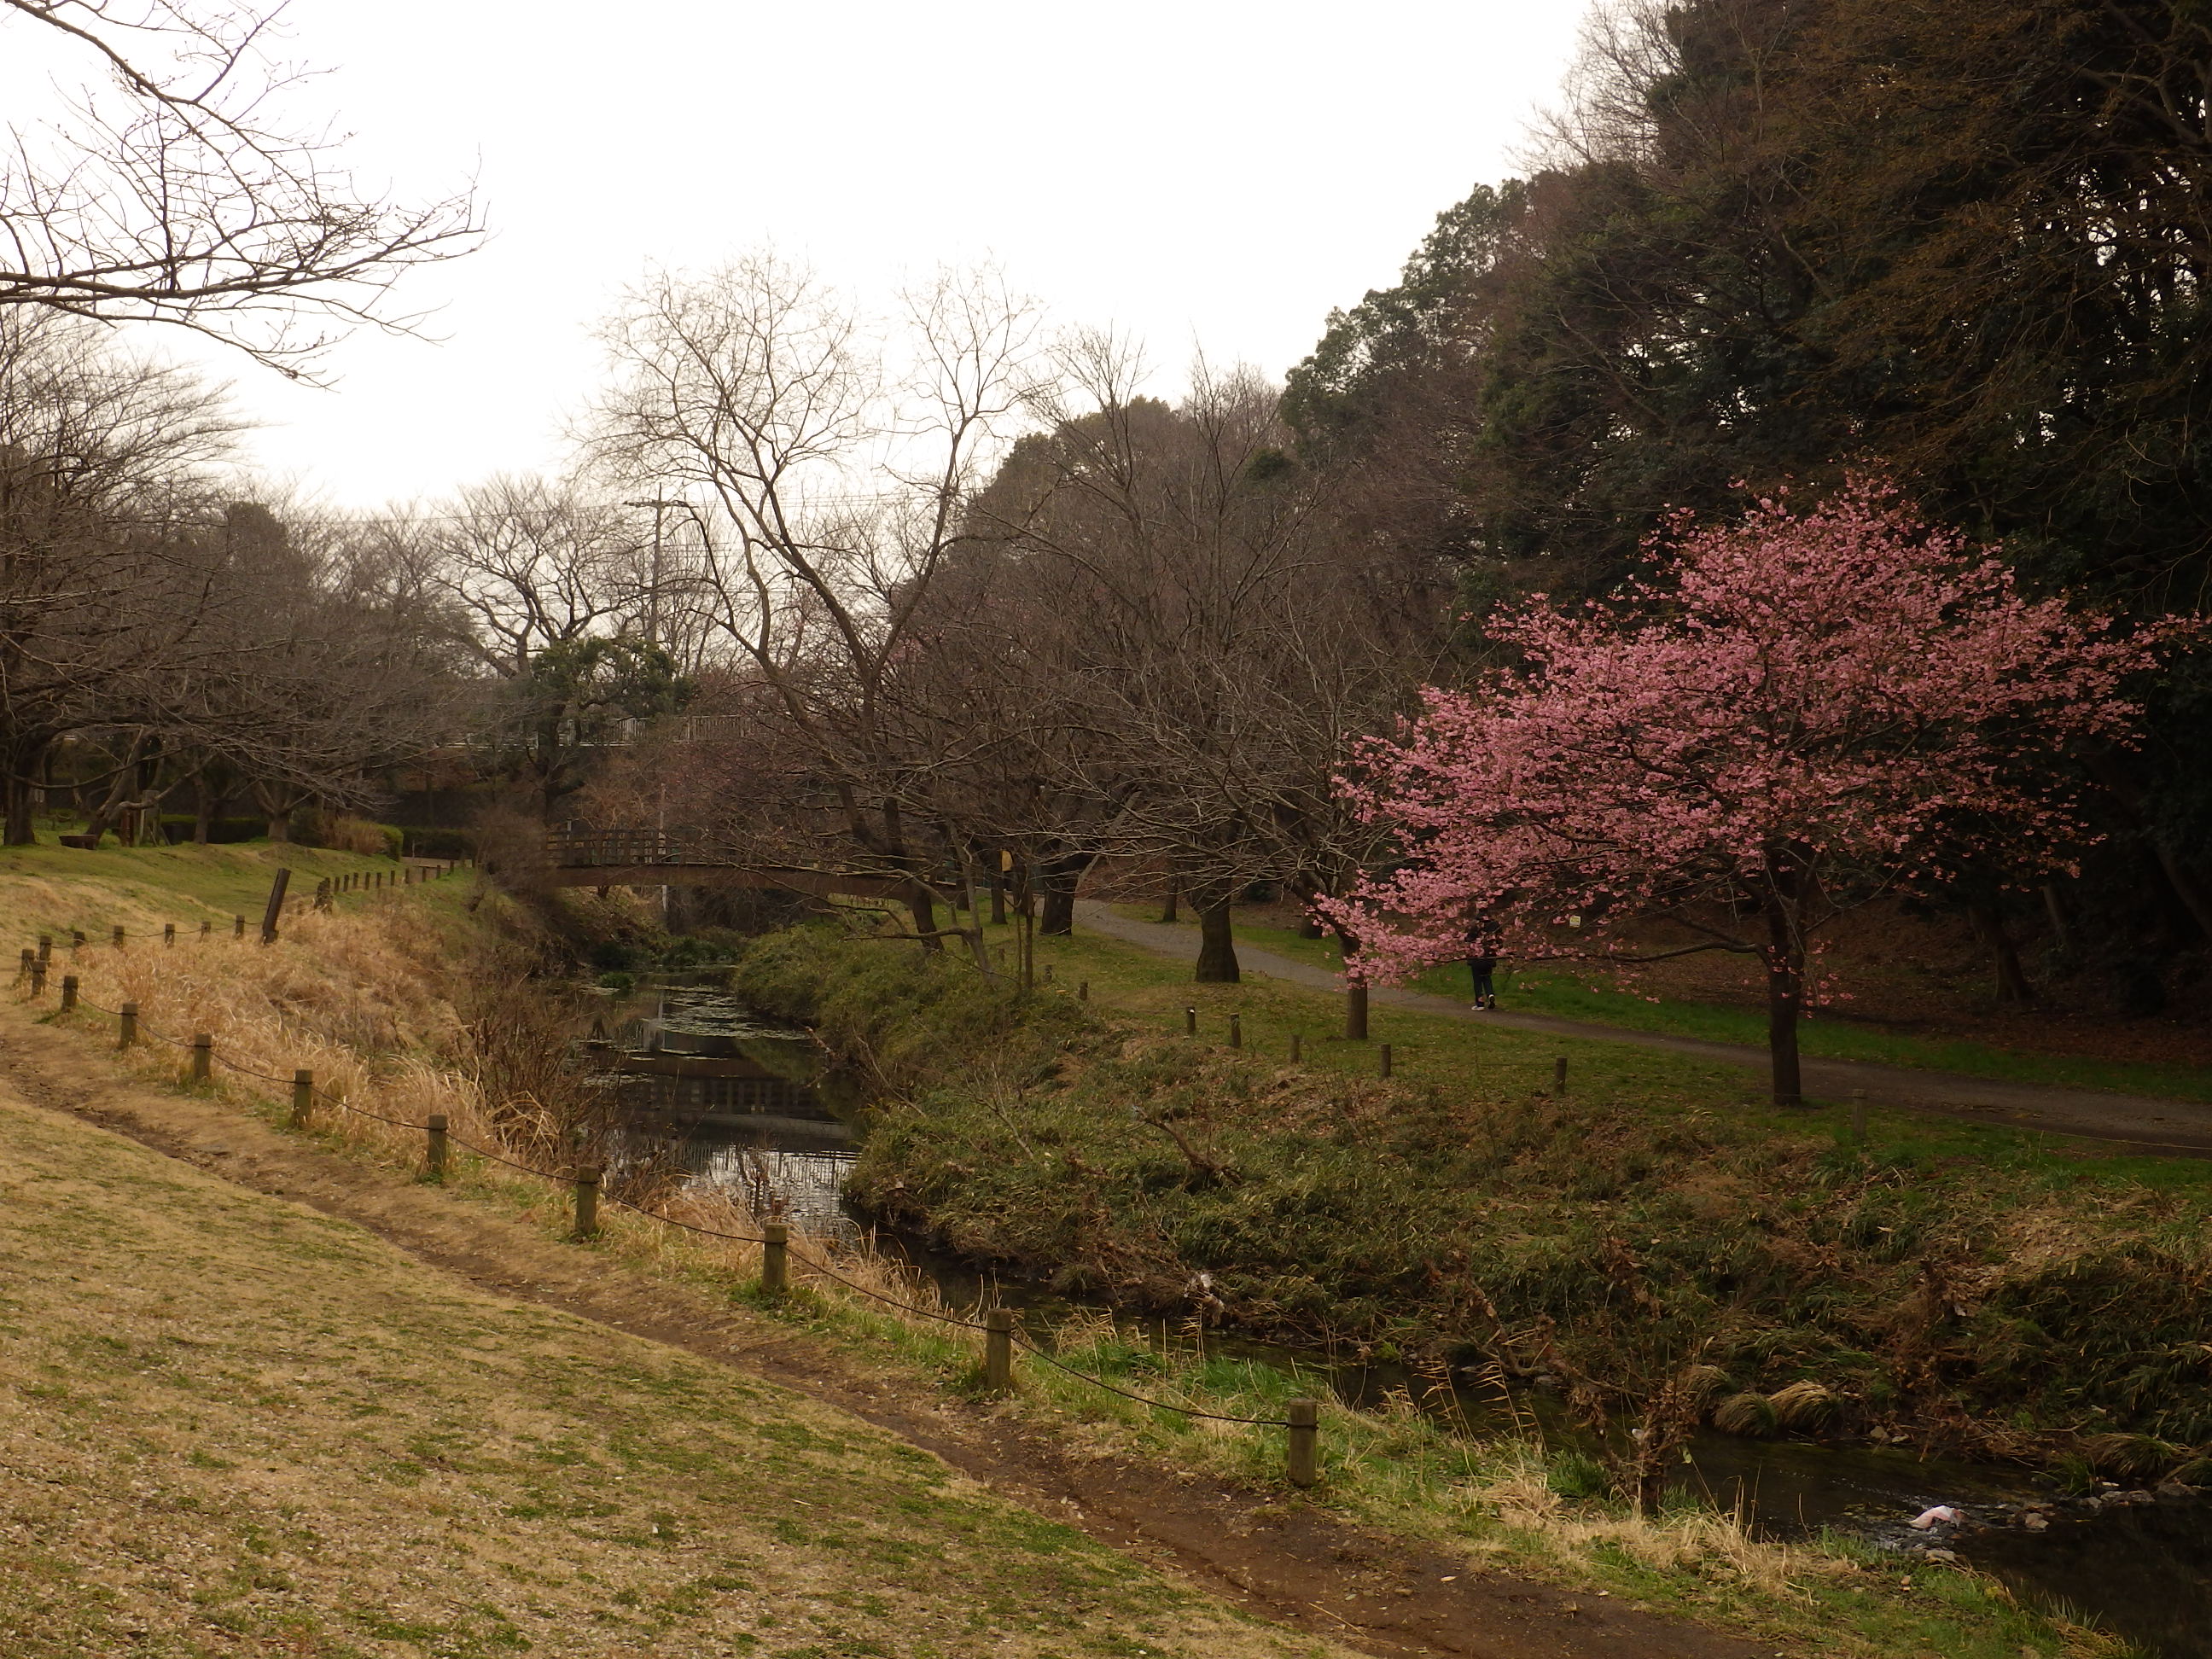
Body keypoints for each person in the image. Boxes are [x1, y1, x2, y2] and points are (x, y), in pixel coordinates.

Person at [1464, 923, 1499, 1010]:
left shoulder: (1471, 939)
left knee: (1477, 982)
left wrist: (1469, 961)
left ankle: (1480, 1003)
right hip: (1488, 961)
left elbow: (1468, 951)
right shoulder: (1488, 937)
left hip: (1477, 963)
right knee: (1487, 979)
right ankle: (1490, 994)